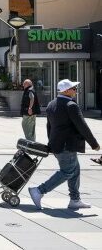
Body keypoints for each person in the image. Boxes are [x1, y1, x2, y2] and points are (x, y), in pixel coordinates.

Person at [28, 79, 100, 210]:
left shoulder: (51, 104)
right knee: (67, 172)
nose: (76, 91)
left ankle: (75, 199)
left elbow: (49, 127)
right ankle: (38, 191)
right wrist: (94, 144)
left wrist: (51, 144)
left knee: (75, 170)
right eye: (74, 89)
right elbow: (82, 126)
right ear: (66, 91)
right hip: (67, 145)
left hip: (57, 144)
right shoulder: (71, 105)